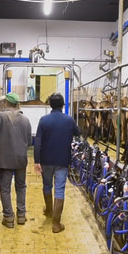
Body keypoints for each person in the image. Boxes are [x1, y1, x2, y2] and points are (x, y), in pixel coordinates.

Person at [36, 87, 81, 230]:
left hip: (46, 160)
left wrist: (37, 161)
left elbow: (38, 143)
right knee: (60, 189)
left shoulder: (43, 120)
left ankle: (49, 210)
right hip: (62, 160)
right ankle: (56, 224)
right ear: (62, 105)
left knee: (47, 186)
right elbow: (78, 133)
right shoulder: (69, 120)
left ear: (50, 105)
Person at [0, 94, 36, 227]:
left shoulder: (1, 117)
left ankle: (8, 218)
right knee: (21, 186)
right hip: (20, 159)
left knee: (5, 188)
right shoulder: (25, 120)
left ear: (6, 102)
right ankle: (21, 216)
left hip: (5, 160)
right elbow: (29, 142)